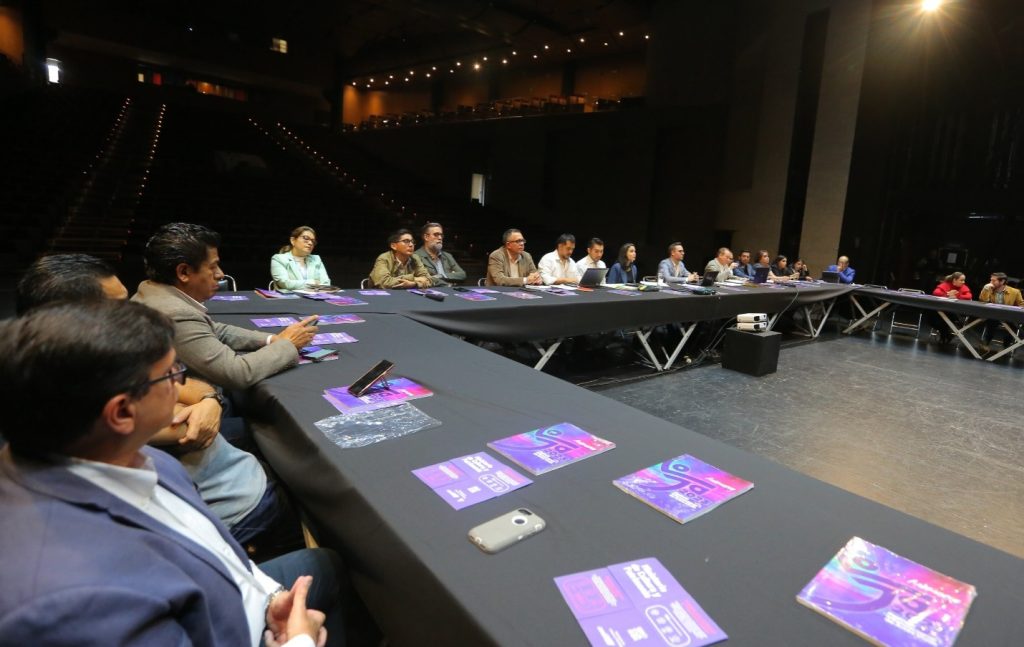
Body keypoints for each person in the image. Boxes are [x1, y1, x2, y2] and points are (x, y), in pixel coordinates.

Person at [0, 300, 345, 646]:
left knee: (328, 563)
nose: (183, 381)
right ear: (121, 413)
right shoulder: (73, 599)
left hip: (242, 599)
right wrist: (298, 641)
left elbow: (215, 551)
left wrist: (270, 599)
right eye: (171, 373)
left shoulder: (133, 455)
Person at [16, 253, 302, 554]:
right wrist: (203, 399)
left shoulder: (93, 361)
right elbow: (185, 421)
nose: (133, 314)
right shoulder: (80, 395)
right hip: (233, 506)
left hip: (216, 480)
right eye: (117, 308)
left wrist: (207, 398)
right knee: (322, 555)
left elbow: (186, 388)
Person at [133, 223, 318, 391]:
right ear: (184, 272)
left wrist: (273, 339)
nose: (221, 274)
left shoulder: (151, 290)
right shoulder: (175, 313)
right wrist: (288, 345)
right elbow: (237, 373)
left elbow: (214, 330)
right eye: (213, 267)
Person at [270, 226, 331, 291]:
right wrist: (312, 283)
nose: (310, 243)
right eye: (306, 238)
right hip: (289, 299)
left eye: (313, 241)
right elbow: (285, 283)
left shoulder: (316, 259)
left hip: (314, 298)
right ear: (293, 240)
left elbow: (326, 283)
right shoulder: (279, 259)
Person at [978, 272, 1024, 353]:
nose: (991, 282)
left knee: (1013, 324)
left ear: (1002, 281)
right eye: (990, 280)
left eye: (993, 281)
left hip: (1009, 316)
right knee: (991, 320)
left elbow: (1022, 304)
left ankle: (1007, 345)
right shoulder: (989, 289)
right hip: (994, 315)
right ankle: (985, 343)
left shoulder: (1015, 292)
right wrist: (985, 289)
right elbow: (983, 301)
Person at [413, 222, 467, 286]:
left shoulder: (447, 256)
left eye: (441, 235)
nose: (440, 238)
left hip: (450, 292)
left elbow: (462, 275)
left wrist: (441, 276)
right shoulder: (416, 256)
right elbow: (425, 280)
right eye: (436, 234)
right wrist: (451, 279)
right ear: (426, 237)